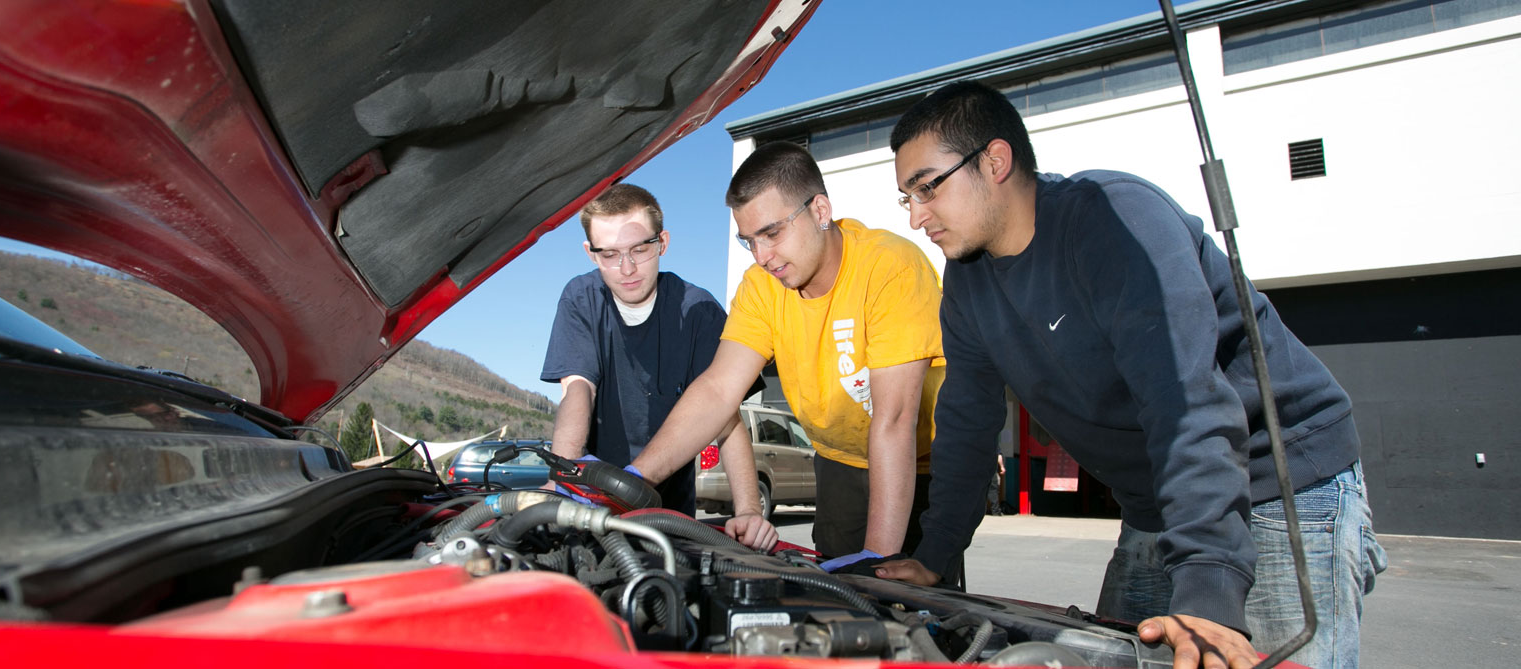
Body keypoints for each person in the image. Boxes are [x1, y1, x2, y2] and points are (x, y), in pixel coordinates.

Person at [875, 82, 1386, 669]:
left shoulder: (1116, 222)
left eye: (927, 187)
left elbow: (1186, 401)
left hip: (1278, 482)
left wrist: (1210, 591)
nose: (916, 216)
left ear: (994, 161)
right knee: (1104, 658)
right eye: (905, 198)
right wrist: (935, 552)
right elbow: (967, 420)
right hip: (1154, 505)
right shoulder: (967, 284)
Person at [627, 141, 946, 571]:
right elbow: (719, 388)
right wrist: (633, 479)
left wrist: (878, 564)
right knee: (835, 593)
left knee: (909, 598)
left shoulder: (890, 268)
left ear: (819, 211)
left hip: (921, 459)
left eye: (772, 233)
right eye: (749, 241)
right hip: (839, 458)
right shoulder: (761, 286)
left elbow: (894, 421)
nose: (762, 257)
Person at [541, 183, 776, 549]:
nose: (627, 268)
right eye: (610, 254)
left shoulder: (698, 312)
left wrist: (748, 509)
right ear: (590, 253)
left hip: (667, 518)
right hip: (589, 504)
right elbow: (578, 388)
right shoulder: (580, 298)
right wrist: (564, 472)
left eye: (640, 249)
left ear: (662, 242)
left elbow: (725, 418)